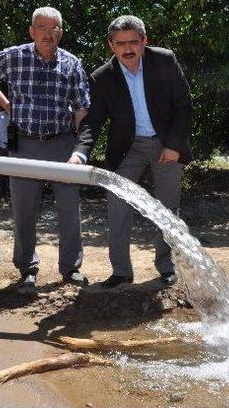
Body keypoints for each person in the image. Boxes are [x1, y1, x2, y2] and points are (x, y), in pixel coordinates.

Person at [0, 7, 91, 292]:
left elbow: (81, 107)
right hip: (24, 144)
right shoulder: (14, 55)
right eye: (41, 28)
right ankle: (27, 269)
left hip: (62, 144)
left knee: (69, 208)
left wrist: (80, 145)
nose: (47, 34)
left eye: (53, 29)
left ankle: (71, 268)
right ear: (31, 31)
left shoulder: (72, 63)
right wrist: (7, 105)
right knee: (24, 209)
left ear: (61, 33)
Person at [80, 15, 193, 288]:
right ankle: (121, 272)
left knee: (167, 210)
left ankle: (166, 267)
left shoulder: (165, 60)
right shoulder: (102, 78)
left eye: (133, 42)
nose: (127, 49)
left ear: (145, 41)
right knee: (117, 207)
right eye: (120, 43)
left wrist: (174, 145)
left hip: (166, 144)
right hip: (126, 149)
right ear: (111, 46)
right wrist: (80, 153)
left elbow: (183, 105)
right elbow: (92, 123)